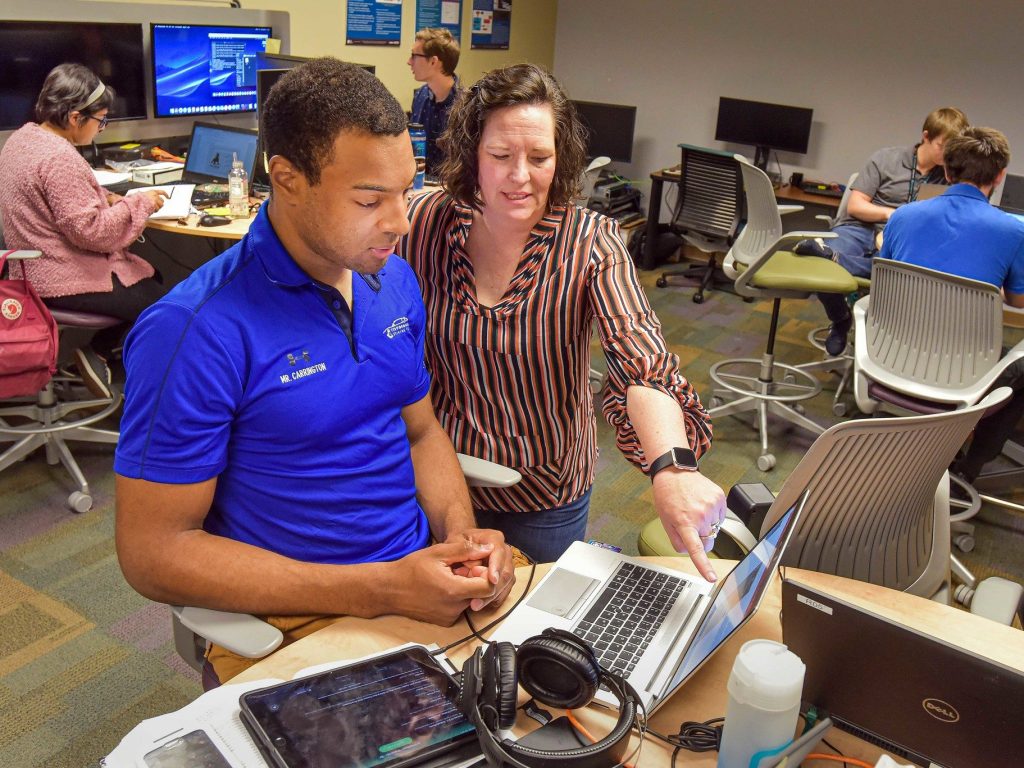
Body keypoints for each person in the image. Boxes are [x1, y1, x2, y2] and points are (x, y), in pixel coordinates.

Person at [113, 58, 515, 686]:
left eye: (406, 191)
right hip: (302, 615)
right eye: (370, 200)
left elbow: (420, 433)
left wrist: (462, 542)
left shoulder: (392, 278)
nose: (401, 222)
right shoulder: (194, 331)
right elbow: (153, 553)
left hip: (419, 580)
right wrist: (380, 588)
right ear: (287, 179)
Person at [398, 63, 726, 580]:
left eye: (539, 157)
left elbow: (641, 364)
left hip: (543, 492)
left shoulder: (590, 242)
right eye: (500, 156)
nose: (520, 176)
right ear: (472, 153)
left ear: (561, 157)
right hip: (438, 475)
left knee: (533, 618)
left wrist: (673, 467)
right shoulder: (424, 221)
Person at [0, 63, 168, 397]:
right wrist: (141, 203)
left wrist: (105, 197)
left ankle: (98, 355)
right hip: (57, 278)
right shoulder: (60, 158)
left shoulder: (22, 140)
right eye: (101, 120)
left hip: (29, 268)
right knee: (165, 305)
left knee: (152, 279)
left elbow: (53, 200)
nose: (102, 129)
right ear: (76, 118)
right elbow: (93, 232)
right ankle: (101, 356)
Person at [879, 126, 1024, 480]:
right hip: (966, 371)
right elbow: (1017, 301)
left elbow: (886, 281)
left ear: (946, 170)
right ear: (1000, 176)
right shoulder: (1013, 231)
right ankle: (970, 465)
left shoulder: (902, 216)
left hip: (893, 357)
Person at [810, 107, 969, 355]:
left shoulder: (949, 177)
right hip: (859, 228)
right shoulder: (886, 159)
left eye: (954, 149)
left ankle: (838, 261)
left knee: (898, 270)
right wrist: (892, 214)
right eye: (943, 146)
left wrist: (953, 177)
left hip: (903, 238)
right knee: (823, 267)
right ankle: (840, 318)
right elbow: (856, 205)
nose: (948, 154)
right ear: (926, 136)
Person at [408, 27, 461, 176]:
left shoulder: (463, 104)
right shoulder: (420, 96)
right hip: (420, 182)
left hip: (449, 185)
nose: (409, 62)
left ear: (433, 61)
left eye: (414, 56)